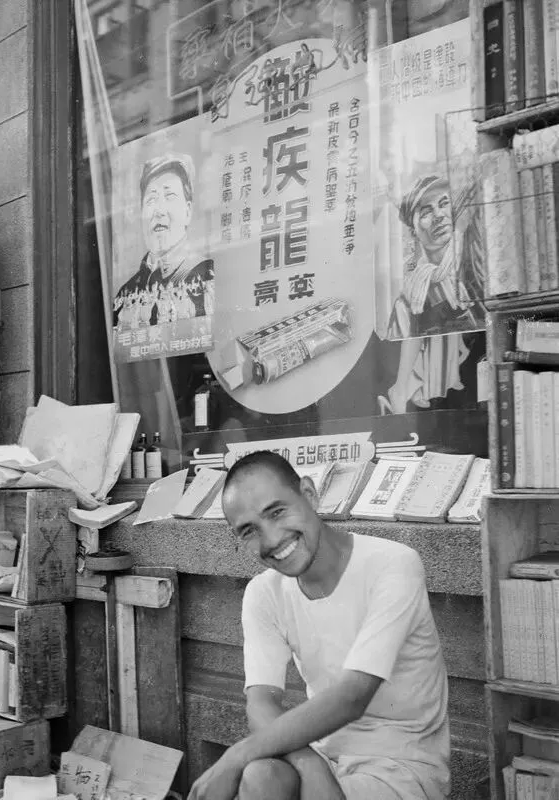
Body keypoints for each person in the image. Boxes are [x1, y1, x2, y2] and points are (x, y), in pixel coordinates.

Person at [188, 450, 450, 800]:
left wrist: (235, 757)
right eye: (249, 531)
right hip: (325, 758)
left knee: (254, 770)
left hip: (401, 767)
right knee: (261, 776)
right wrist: (310, 763)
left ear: (309, 495)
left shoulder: (392, 564)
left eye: (277, 512)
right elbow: (261, 701)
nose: (271, 539)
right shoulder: (264, 593)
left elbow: (351, 697)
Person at [379, 174, 485, 415]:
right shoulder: (414, 288)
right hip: (451, 404)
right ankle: (402, 388)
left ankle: (402, 389)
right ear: (413, 230)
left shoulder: (470, 250)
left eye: (443, 204)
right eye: (426, 212)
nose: (438, 216)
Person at [113, 153, 214, 329]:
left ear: (188, 211)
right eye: (151, 199)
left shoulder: (206, 275)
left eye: (170, 196)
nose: (159, 210)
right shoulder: (127, 292)